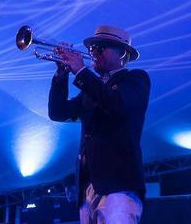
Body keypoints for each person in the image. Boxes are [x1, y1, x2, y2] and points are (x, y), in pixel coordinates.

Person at [48, 25, 150, 224]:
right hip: (89, 186)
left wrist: (81, 71)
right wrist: (61, 76)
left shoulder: (135, 79)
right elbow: (58, 113)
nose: (93, 52)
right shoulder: (92, 89)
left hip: (119, 186)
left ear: (122, 53)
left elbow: (116, 104)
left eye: (101, 47)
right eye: (92, 48)